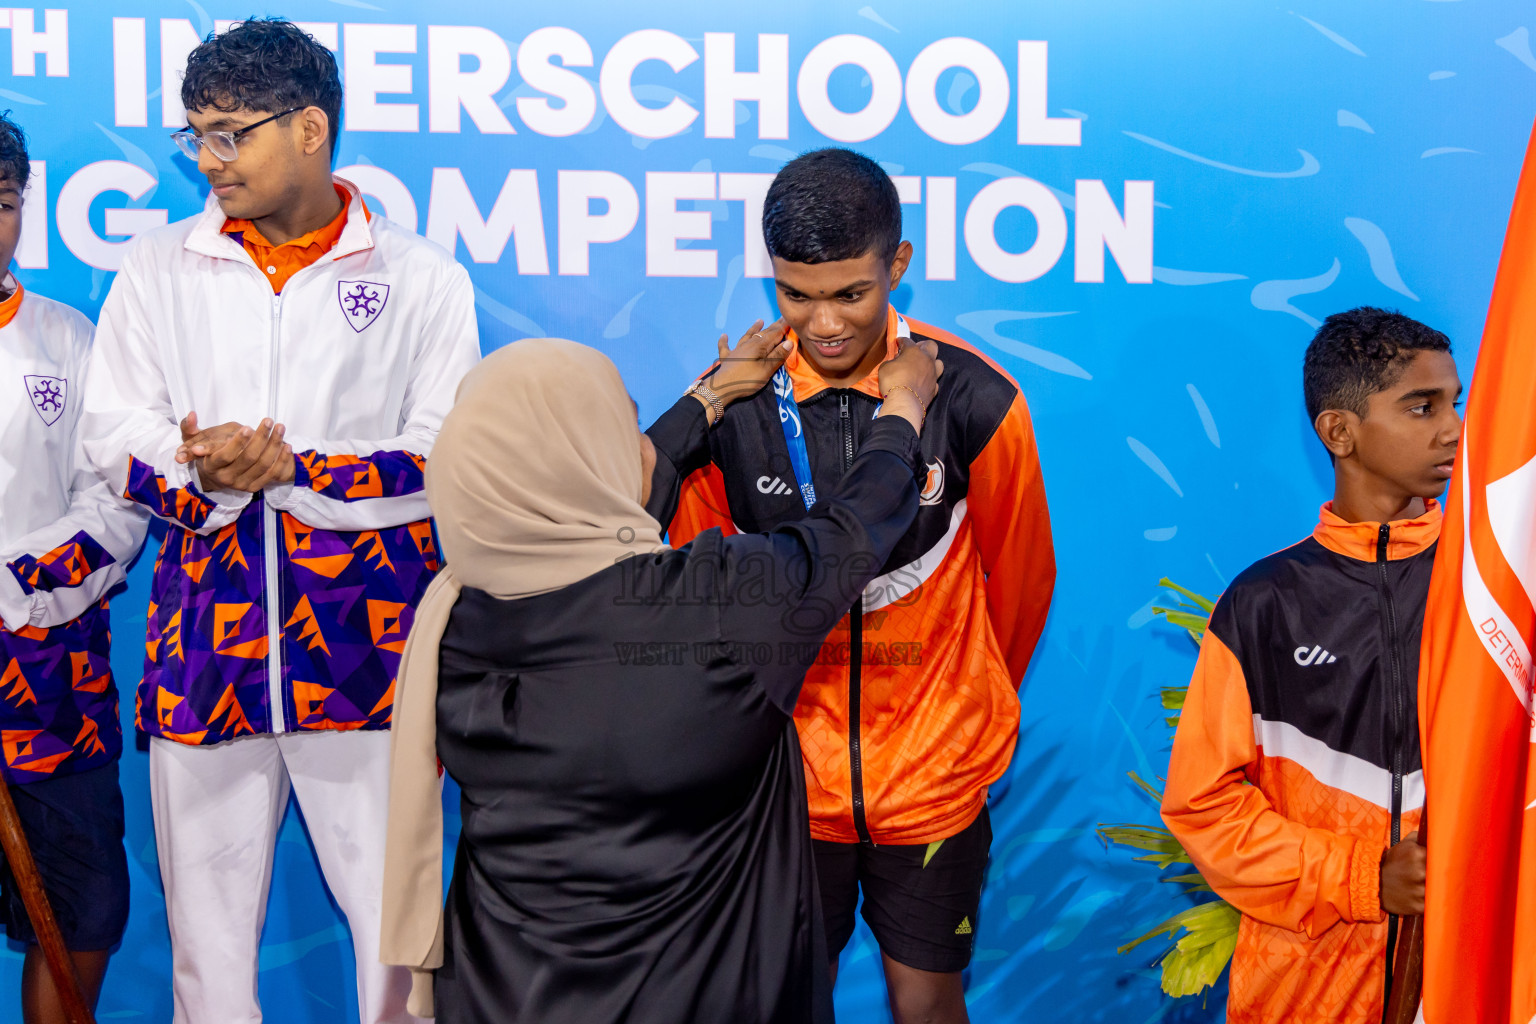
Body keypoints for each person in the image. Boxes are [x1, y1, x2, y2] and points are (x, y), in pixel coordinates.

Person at [80, 19, 479, 1023]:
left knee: (399, 952)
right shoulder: (159, 269)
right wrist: (207, 477)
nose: (210, 160)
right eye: (196, 136)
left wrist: (297, 470)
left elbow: (444, 463)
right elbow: (109, 431)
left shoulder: (421, 278)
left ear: (311, 129)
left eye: (231, 134)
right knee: (206, 964)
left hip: (367, 655)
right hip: (203, 650)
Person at [380, 331, 940, 1023]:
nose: (644, 444)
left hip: (505, 993)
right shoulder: (722, 604)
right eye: (626, 426)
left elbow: (590, 520)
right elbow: (853, 531)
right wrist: (905, 406)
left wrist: (707, 400)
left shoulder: (456, 622)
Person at [646, 147, 1054, 1023]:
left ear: (897, 266)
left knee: (929, 1001)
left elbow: (1019, 583)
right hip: (782, 784)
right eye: (797, 295)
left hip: (938, 777)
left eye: (850, 294)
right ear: (771, 279)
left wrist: (962, 702)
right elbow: (690, 585)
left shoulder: (976, 397)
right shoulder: (737, 404)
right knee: (787, 1000)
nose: (823, 323)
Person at [1162, 307, 1457, 1023]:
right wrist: (1362, 877)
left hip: (1464, 975)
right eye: (1421, 407)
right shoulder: (1264, 604)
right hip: (1305, 988)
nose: (1451, 429)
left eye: (1455, 404)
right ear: (1339, 432)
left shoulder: (1488, 594)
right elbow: (1201, 805)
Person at [0, 113, 148, 1024]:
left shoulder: (68, 340)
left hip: (52, 671)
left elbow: (120, 496)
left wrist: (18, 580)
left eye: (4, 202)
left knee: (81, 906)